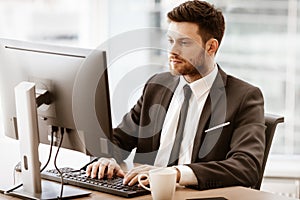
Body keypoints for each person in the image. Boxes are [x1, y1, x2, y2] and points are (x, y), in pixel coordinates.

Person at [86, 0, 265, 190]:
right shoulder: (157, 86)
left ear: (211, 47)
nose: (172, 51)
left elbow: (247, 166)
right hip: (144, 193)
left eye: (184, 43)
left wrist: (176, 173)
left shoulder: (244, 97)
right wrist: (106, 159)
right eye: (171, 41)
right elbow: (118, 139)